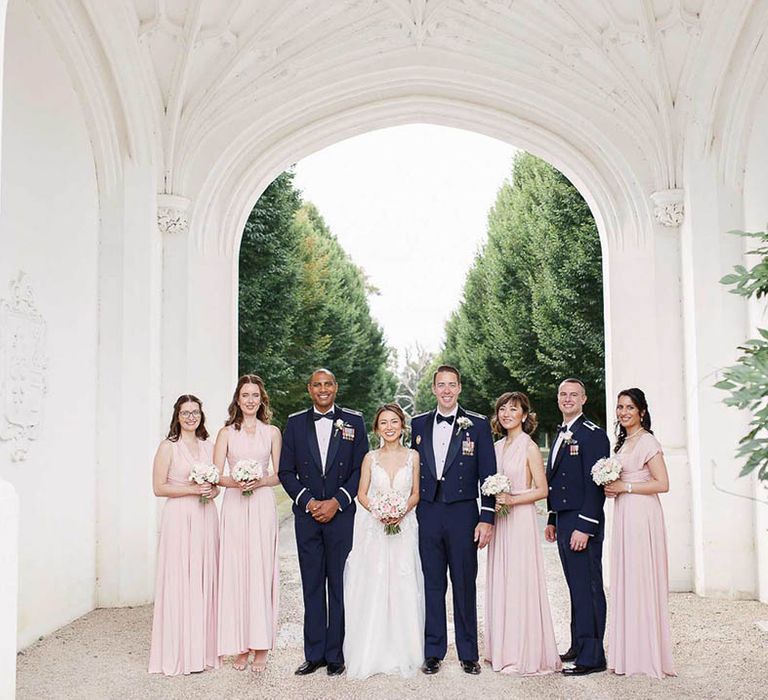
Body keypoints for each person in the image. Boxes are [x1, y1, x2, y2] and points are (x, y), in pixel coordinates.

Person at [278, 369, 368, 677]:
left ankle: (337, 654)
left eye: (328, 384)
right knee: (312, 585)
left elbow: (360, 470)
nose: (323, 389)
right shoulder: (294, 423)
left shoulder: (354, 421)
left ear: (336, 387)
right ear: (309, 389)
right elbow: (285, 472)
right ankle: (313, 654)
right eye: (317, 384)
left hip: (341, 516)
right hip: (307, 517)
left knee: (339, 585)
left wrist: (338, 501)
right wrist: (309, 502)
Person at [410, 365, 496, 675]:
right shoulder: (417, 424)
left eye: (452, 384)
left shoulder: (478, 424)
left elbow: (488, 474)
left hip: (463, 514)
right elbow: (413, 469)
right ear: (433, 389)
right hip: (429, 513)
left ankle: (468, 653)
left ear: (459, 388)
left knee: (464, 583)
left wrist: (487, 517)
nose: (446, 390)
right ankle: (434, 651)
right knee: (433, 584)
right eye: (441, 385)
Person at [343, 403, 424, 678]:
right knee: (375, 581)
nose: (389, 427)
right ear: (377, 428)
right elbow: (362, 493)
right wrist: (379, 511)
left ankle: (406, 650)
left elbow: (415, 493)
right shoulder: (369, 458)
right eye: (384, 423)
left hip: (404, 527)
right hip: (375, 529)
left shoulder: (413, 456)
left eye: (394, 422)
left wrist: (400, 511)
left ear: (402, 425)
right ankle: (372, 649)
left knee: (403, 581)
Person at [484, 392, 561, 675]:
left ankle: (523, 651)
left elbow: (542, 490)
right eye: (502, 408)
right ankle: (502, 648)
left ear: (524, 415)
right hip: (501, 522)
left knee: (519, 580)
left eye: (513, 409)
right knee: (502, 579)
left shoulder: (528, 447)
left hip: (520, 519)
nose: (506, 414)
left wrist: (512, 499)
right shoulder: (496, 447)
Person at [605, 388, 676, 678]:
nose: (623, 412)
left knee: (641, 576)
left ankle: (646, 654)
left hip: (643, 514)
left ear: (641, 411)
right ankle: (628, 652)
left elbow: (663, 483)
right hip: (624, 513)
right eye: (620, 407)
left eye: (629, 408)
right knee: (627, 577)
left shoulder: (648, 441)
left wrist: (626, 487)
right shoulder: (624, 442)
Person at [149, 394, 220, 676]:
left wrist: (211, 490)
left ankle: (202, 651)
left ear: (201, 416)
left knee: (203, 577)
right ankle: (178, 651)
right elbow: (158, 487)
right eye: (185, 412)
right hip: (179, 517)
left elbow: (216, 486)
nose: (191, 417)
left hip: (206, 516)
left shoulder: (209, 446)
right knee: (180, 578)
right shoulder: (168, 447)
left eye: (195, 412)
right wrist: (192, 489)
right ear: (177, 417)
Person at [216, 375, 282, 672]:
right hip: (234, 504)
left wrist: (256, 482)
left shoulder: (272, 433)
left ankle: (261, 644)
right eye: (245, 395)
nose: (251, 400)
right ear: (237, 399)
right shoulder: (226, 433)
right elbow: (216, 474)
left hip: (261, 504)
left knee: (260, 569)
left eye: (255, 395)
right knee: (236, 570)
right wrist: (238, 481)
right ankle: (239, 644)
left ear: (261, 399)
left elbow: (278, 474)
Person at [545, 378, 609, 676]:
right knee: (575, 587)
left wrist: (585, 527)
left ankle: (593, 656)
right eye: (563, 394)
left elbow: (595, 486)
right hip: (564, 518)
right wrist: (552, 518)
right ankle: (578, 645)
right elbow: (558, 480)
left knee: (588, 587)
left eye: (574, 395)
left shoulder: (592, 435)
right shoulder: (562, 432)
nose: (567, 399)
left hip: (583, 522)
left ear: (584, 399)